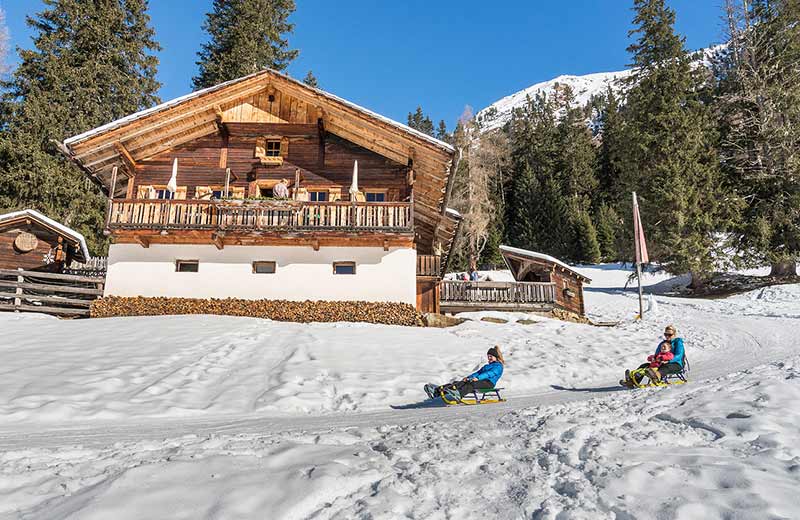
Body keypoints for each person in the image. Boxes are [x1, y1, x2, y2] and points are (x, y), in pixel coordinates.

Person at [424, 346, 505, 401]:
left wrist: (478, 378)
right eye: (488, 356)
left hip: (488, 383)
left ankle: (459, 394)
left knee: (471, 384)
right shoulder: (486, 366)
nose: (489, 358)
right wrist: (468, 378)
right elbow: (477, 373)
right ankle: (436, 392)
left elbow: (489, 374)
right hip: (481, 381)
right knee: (458, 383)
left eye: (491, 356)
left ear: (496, 357)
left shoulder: (498, 366)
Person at [621, 325, 685, 387]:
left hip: (676, 364)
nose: (667, 336)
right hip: (660, 363)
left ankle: (656, 377)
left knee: (666, 367)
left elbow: (679, 355)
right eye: (666, 334)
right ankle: (632, 381)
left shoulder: (678, 343)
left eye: (670, 335)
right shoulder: (662, 343)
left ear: (674, 334)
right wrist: (654, 359)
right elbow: (657, 354)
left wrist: (668, 361)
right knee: (645, 365)